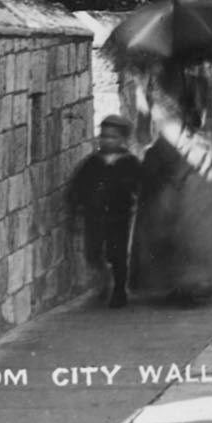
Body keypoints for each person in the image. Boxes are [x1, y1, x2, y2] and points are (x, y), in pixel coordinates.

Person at [130, 62, 212, 302]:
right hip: (196, 155)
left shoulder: (147, 88)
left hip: (163, 156)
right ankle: (193, 280)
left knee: (161, 217)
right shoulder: (199, 83)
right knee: (196, 218)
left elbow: (142, 135)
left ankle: (168, 282)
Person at [64, 114, 140, 307]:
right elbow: (78, 185)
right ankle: (103, 281)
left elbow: (140, 185)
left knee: (118, 254)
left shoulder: (129, 163)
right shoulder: (92, 162)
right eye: (103, 136)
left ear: (123, 139)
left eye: (112, 137)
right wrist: (75, 205)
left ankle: (119, 291)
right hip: (94, 216)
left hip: (119, 216)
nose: (106, 140)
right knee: (94, 251)